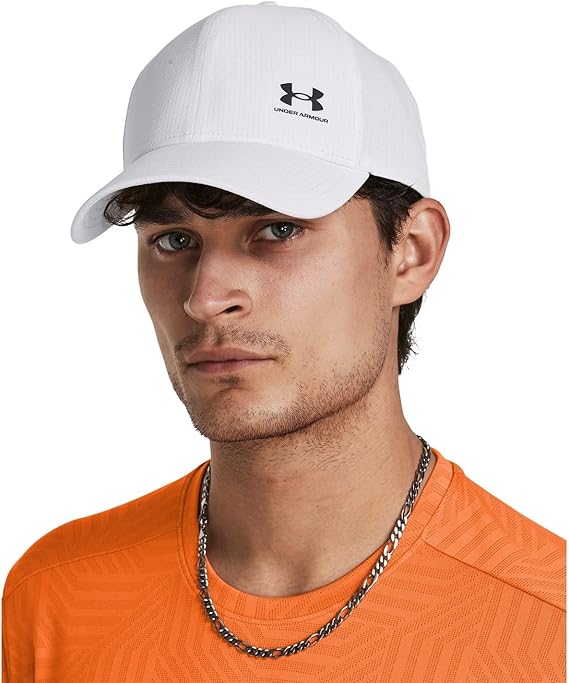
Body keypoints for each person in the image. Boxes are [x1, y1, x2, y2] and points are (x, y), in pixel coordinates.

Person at [2, 2, 565, 681]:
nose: (205, 297)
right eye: (173, 239)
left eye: (277, 229)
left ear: (411, 252)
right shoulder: (55, 599)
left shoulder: (548, 628)